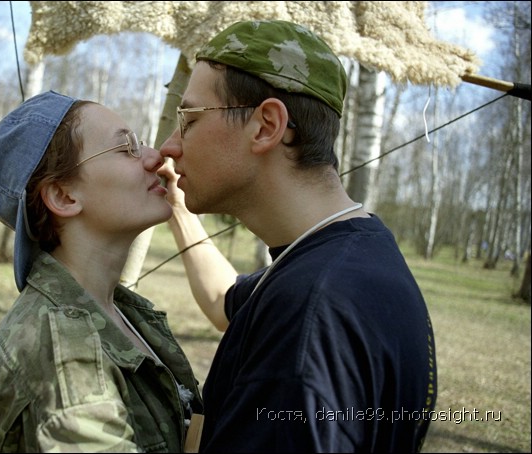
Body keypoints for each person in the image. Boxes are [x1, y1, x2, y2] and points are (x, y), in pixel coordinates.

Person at [157, 20, 437, 452]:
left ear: (267, 125)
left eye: (189, 119)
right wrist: (177, 207)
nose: (170, 147)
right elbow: (224, 301)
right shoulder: (350, 258)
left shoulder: (311, 315)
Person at [0, 90, 202, 453]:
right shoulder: (62, 350)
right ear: (65, 197)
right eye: (127, 148)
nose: (155, 156)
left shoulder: (126, 313)